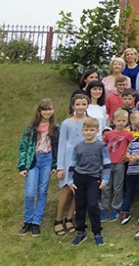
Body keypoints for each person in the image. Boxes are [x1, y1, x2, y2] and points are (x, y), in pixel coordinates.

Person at [66, 117, 111, 247]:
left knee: (92, 205)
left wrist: (105, 179)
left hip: (94, 178)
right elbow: (72, 164)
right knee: (80, 206)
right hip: (79, 179)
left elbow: (107, 164)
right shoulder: (78, 146)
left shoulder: (101, 146)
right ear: (82, 131)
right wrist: (69, 180)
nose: (88, 132)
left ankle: (97, 232)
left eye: (92, 130)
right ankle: (81, 232)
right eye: (86, 130)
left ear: (97, 131)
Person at [18, 99, 59, 237]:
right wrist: (22, 165)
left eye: (50, 109)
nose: (47, 112)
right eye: (44, 109)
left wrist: (55, 164)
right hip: (33, 160)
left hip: (47, 160)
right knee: (30, 192)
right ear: (40, 111)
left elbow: (57, 148)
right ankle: (27, 221)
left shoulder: (55, 128)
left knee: (42, 190)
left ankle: (36, 222)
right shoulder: (31, 128)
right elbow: (23, 146)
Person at [55, 93, 89, 236]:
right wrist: (60, 167)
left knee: (78, 190)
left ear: (87, 105)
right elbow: (62, 144)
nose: (80, 107)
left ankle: (70, 218)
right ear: (73, 106)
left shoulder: (90, 121)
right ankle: (58, 220)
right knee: (67, 189)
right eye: (78, 104)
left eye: (83, 104)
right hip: (69, 159)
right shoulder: (67, 123)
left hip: (84, 160)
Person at [100, 109, 134, 222]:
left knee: (118, 187)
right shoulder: (109, 134)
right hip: (108, 164)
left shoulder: (128, 135)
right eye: (118, 120)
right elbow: (103, 147)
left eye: (123, 120)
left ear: (127, 121)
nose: (121, 123)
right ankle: (104, 208)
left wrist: (127, 155)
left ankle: (116, 208)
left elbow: (133, 145)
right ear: (113, 121)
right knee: (106, 186)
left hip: (119, 163)